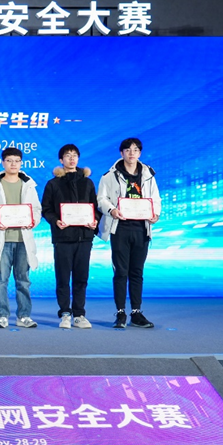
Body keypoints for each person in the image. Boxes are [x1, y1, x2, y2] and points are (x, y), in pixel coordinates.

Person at [97, 137, 161, 329]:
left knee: (137, 272)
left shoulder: (148, 175)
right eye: (128, 150)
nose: (131, 153)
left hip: (141, 228)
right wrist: (111, 210)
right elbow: (101, 199)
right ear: (121, 153)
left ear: (140, 153)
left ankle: (136, 312)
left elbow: (155, 198)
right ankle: (120, 312)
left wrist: (156, 214)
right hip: (120, 228)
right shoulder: (109, 176)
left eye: (135, 150)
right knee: (120, 272)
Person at [41, 144, 100, 329]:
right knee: (63, 277)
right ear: (61, 160)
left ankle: (79, 314)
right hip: (63, 237)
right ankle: (65, 313)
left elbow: (95, 207)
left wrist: (95, 220)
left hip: (84, 237)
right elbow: (46, 209)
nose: (72, 158)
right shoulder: (53, 184)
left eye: (75, 155)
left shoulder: (88, 183)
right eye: (67, 155)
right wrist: (56, 221)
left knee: (81, 278)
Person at [0, 147, 41, 329]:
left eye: (17, 161)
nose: (13, 164)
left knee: (23, 281)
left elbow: (37, 210)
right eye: (9, 160)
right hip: (2, 239)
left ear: (21, 163)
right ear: (2, 162)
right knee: (0, 280)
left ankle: (23, 316)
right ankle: (1, 316)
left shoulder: (29, 185)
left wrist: (33, 221)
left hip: (23, 239)